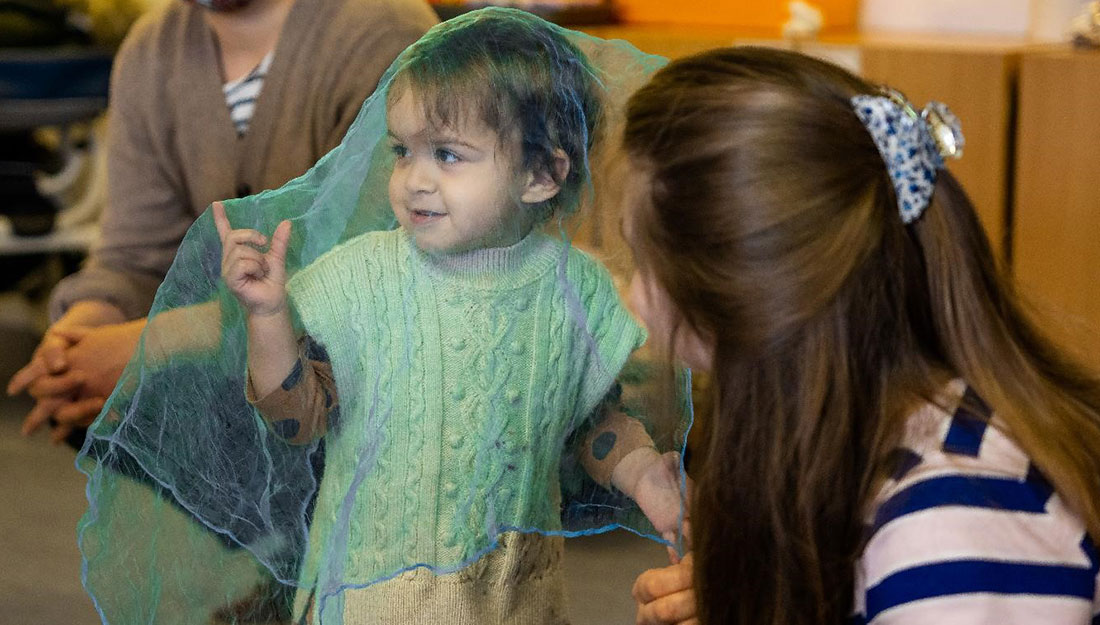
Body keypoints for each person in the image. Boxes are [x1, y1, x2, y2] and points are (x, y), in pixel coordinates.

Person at [76, 9, 688, 625]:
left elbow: (594, 426)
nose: (414, 180)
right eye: (402, 151)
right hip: (367, 600)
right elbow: (297, 425)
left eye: (448, 155)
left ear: (542, 173)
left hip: (510, 601)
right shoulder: (359, 280)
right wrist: (267, 320)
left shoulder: (573, 291)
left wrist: (643, 476)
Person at [622, 47, 1100, 625]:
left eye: (642, 262)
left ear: (747, 295)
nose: (633, 300)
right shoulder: (879, 443)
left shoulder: (950, 531)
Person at [7, 0, 437, 444]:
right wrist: (76, 341)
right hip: (237, 363)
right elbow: (136, 256)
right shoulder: (151, 49)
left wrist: (146, 348)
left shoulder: (384, 33)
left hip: (370, 399)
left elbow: (361, 284)